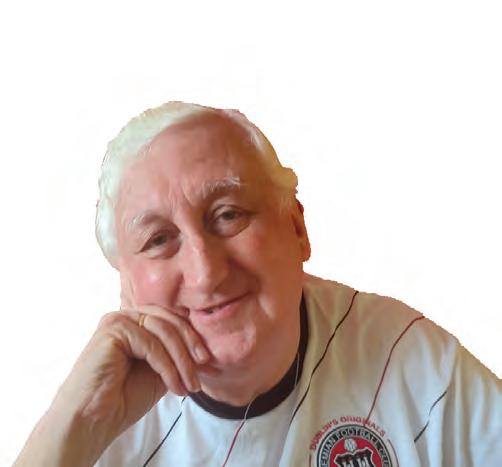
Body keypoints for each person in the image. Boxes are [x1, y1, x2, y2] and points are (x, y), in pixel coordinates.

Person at [14, 102, 501, 467]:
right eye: (158, 240)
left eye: (228, 215)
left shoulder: (410, 361)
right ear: (126, 285)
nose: (206, 272)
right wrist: (75, 427)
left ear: (297, 228)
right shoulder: (98, 426)